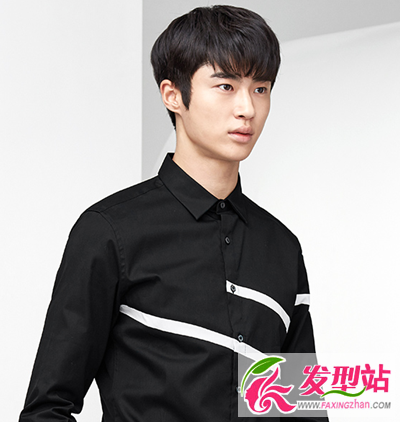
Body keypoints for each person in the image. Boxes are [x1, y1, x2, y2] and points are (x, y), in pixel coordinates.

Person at [19, 5, 328, 422]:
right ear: (173, 95)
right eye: (225, 86)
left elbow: (301, 411)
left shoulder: (282, 248)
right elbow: (47, 408)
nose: (247, 109)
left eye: (260, 88)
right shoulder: (111, 231)